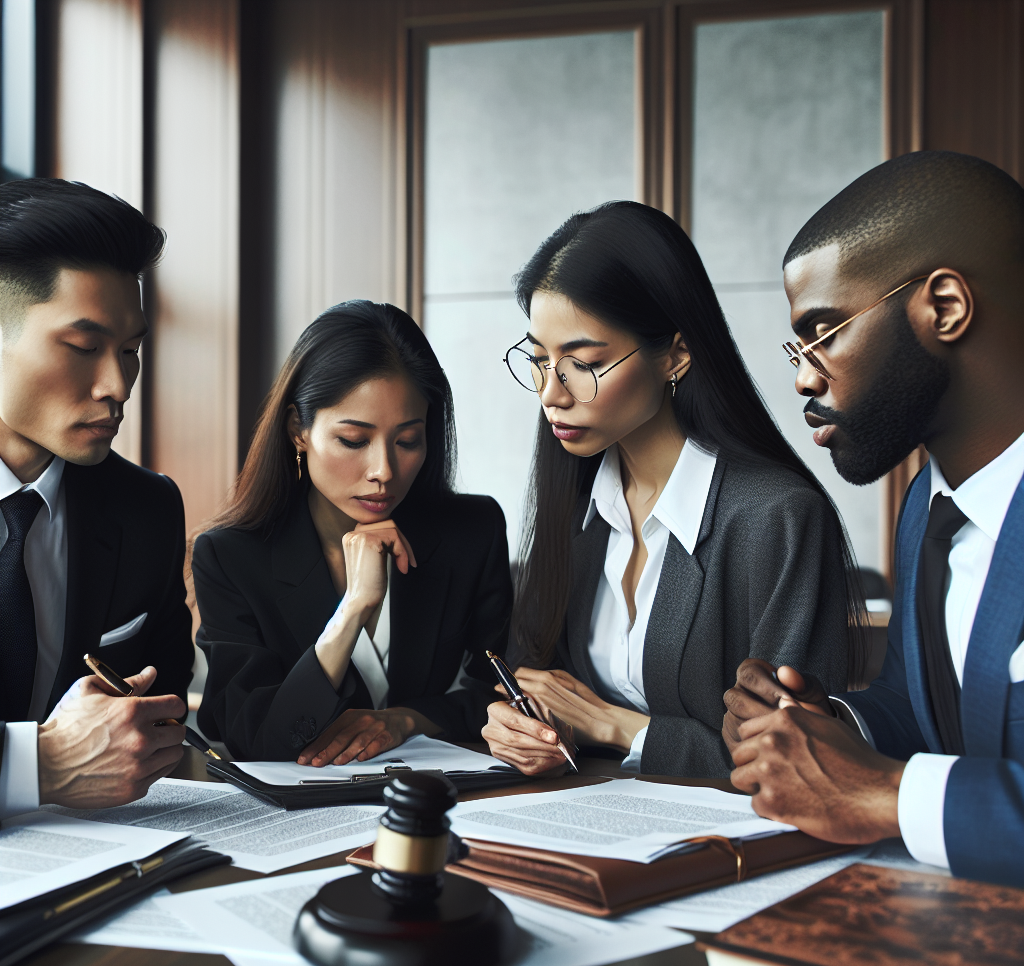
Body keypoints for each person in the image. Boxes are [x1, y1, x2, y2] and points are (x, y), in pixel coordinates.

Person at [722, 151, 1024, 887]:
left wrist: (887, 796)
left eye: (823, 333)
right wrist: (824, 728)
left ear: (944, 307)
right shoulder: (927, 507)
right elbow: (933, 714)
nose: (802, 377)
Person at [481, 201, 861, 777]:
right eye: (538, 360)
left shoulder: (778, 520)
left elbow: (800, 761)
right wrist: (524, 728)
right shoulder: (576, 506)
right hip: (585, 823)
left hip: (730, 849)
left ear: (676, 355)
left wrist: (618, 728)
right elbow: (536, 683)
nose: (550, 394)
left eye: (581, 363)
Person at [193, 300, 512, 762]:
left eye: (407, 441)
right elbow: (251, 733)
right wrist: (352, 610)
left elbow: (506, 692)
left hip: (441, 802)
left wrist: (403, 721)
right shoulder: (230, 556)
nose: (383, 470)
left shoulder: (471, 532)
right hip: (300, 820)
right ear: (298, 430)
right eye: (353, 441)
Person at [0, 178, 192, 814]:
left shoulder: (148, 510)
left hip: (104, 864)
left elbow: (165, 701)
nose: (117, 384)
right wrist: (42, 766)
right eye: (83, 347)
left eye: (131, 351)